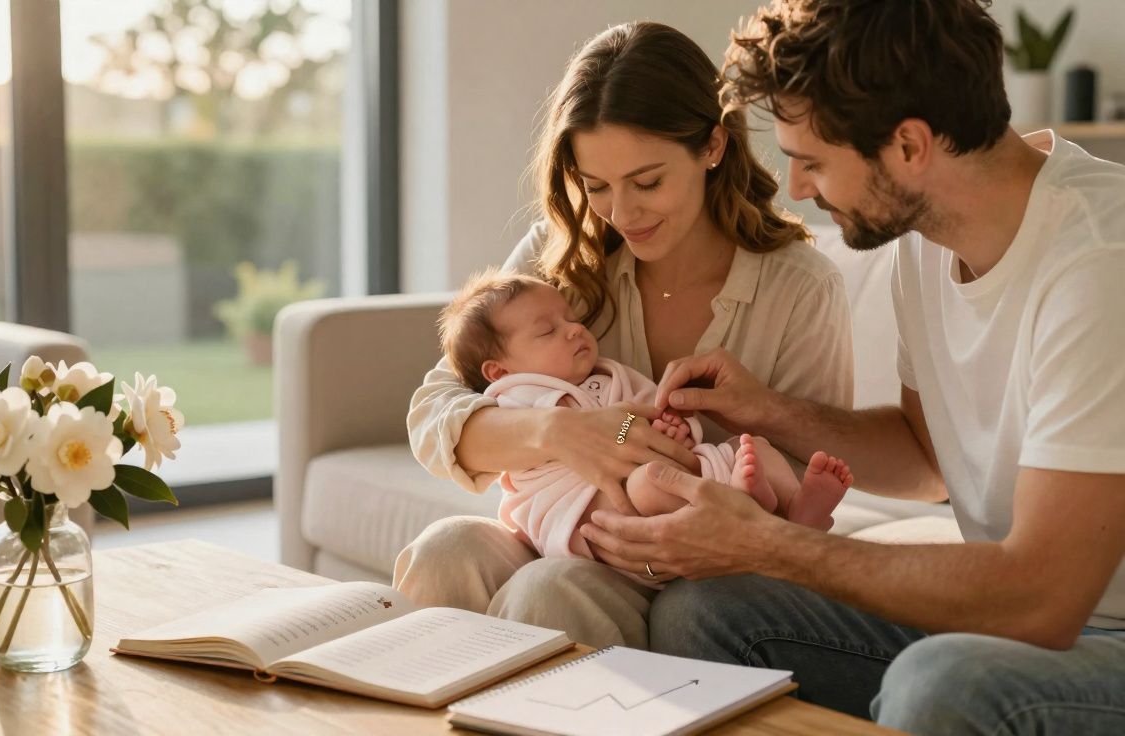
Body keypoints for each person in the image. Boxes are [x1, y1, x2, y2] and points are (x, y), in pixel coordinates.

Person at [577, 1, 1125, 733]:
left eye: (812, 162)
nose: (797, 188)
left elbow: (1043, 599)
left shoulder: (1099, 262)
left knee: (942, 685)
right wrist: (769, 411)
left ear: (909, 145)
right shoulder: (925, 240)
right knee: (703, 613)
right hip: (1022, 621)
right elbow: (927, 462)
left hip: (1086, 628)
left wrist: (767, 543)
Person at [395, 20, 855, 650]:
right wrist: (560, 432)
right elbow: (434, 410)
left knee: (549, 590)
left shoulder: (800, 288)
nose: (621, 213)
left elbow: (805, 483)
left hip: (713, 562)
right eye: (597, 187)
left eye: (647, 182)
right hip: (572, 528)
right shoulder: (561, 256)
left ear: (713, 146)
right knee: (445, 551)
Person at [438, 269, 853, 576]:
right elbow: (619, 431)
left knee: (753, 447)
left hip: (677, 473)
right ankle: (750, 508)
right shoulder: (513, 399)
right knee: (649, 482)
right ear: (499, 370)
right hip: (594, 511)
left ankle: (796, 514)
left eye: (571, 318)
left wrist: (674, 426)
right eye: (548, 331)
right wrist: (624, 431)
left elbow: (648, 413)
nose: (574, 330)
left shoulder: (610, 375)